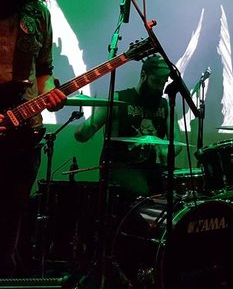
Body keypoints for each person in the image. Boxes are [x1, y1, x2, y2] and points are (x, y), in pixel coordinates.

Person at [0, 0, 66, 276]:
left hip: (23, 136)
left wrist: (48, 91)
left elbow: (44, 69)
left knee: (9, 230)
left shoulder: (38, 13)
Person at [74, 55, 183, 198]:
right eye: (156, 81)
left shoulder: (165, 106)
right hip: (118, 168)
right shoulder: (119, 100)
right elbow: (82, 134)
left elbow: (177, 141)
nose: (160, 88)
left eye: (163, 83)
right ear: (143, 75)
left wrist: (166, 152)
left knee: (180, 188)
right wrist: (86, 129)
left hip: (148, 169)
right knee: (144, 189)